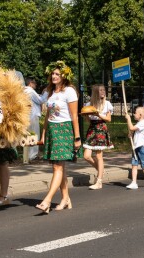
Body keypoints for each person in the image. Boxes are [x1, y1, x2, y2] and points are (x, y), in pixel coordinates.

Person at [35, 61, 81, 214]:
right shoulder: (50, 92)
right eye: (52, 74)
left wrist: (77, 137)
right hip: (52, 131)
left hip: (64, 129)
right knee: (59, 167)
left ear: (64, 76)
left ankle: (47, 200)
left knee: (57, 167)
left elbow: (74, 115)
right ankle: (65, 198)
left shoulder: (69, 91)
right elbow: (47, 115)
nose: (54, 76)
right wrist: (43, 134)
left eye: (57, 74)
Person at [83, 84, 114, 190]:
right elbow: (88, 120)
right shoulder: (89, 104)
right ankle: (101, 170)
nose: (103, 92)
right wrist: (86, 116)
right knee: (86, 156)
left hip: (101, 128)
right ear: (96, 92)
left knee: (99, 156)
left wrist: (98, 114)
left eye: (104, 90)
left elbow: (108, 119)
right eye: (101, 90)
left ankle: (99, 181)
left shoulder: (107, 104)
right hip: (92, 128)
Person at [25, 78, 45, 160]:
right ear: (30, 83)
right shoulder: (30, 91)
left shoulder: (23, 90)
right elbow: (40, 100)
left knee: (28, 135)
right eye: (35, 83)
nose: (36, 85)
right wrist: (46, 92)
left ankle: (27, 155)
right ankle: (33, 155)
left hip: (27, 115)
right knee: (34, 134)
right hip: (33, 115)